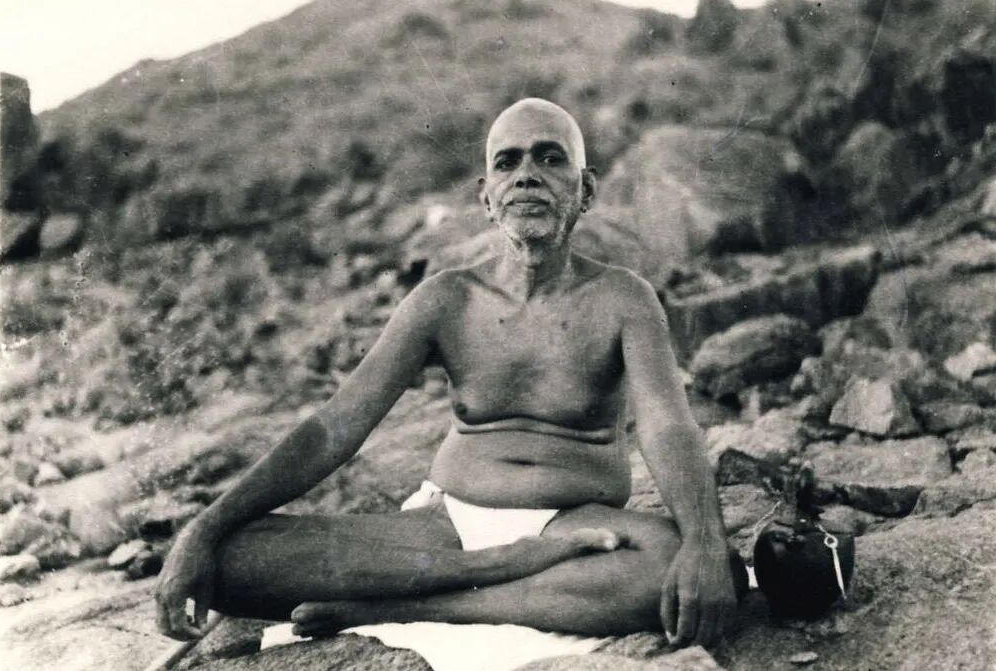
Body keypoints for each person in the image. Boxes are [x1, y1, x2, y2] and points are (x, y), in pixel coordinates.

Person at [155, 98, 742, 648]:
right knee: (228, 560)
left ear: (585, 189)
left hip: (572, 524)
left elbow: (667, 427)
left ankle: (405, 608)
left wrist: (706, 542)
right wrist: (202, 529)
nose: (527, 176)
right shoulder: (446, 298)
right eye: (507, 163)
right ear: (486, 197)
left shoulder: (623, 297)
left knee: (682, 567)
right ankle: (498, 568)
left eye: (549, 158)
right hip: (443, 529)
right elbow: (336, 427)